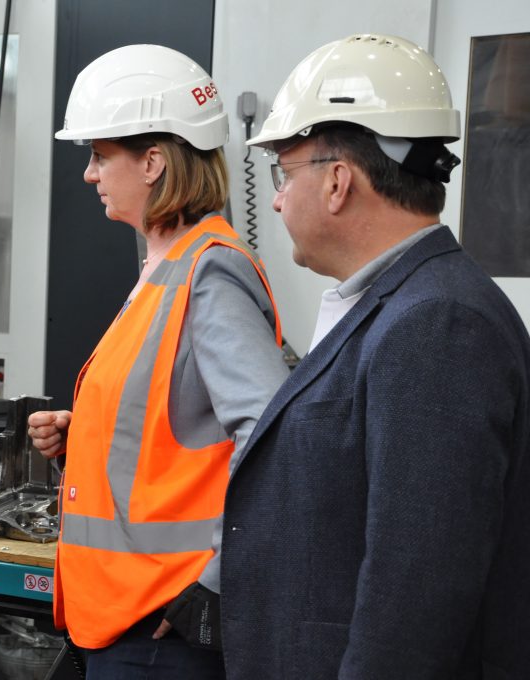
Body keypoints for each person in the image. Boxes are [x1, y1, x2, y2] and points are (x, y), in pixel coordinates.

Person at [220, 34, 530, 680]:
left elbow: (417, 593)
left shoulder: (438, 325)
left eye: (284, 172)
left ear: (338, 181)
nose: (275, 199)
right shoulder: (394, 306)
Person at [27, 44, 289, 679]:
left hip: (164, 627)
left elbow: (276, 437)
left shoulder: (209, 270)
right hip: (125, 618)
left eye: (98, 156)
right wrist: (83, 432)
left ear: (151, 162)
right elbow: (176, 418)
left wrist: (216, 585)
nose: (89, 174)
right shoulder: (162, 268)